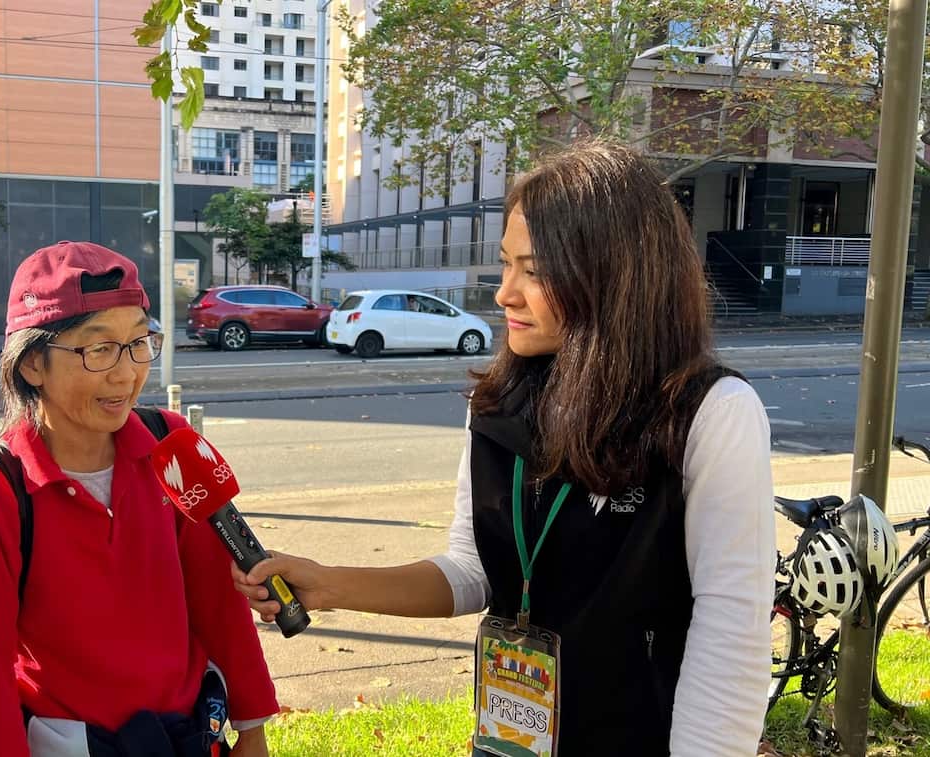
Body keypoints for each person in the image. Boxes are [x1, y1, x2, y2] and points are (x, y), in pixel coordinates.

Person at [234, 143, 775, 756]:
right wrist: (329, 584)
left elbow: (732, 632)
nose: (504, 294)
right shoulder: (496, 403)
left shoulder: (711, 412)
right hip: (512, 740)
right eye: (504, 264)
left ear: (614, 275)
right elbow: (474, 572)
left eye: (535, 270)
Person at [0, 241, 277, 757]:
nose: (126, 374)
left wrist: (252, 725)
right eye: (98, 350)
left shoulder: (172, 441)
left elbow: (216, 597)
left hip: (188, 736)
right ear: (32, 364)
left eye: (140, 342)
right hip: (74, 744)